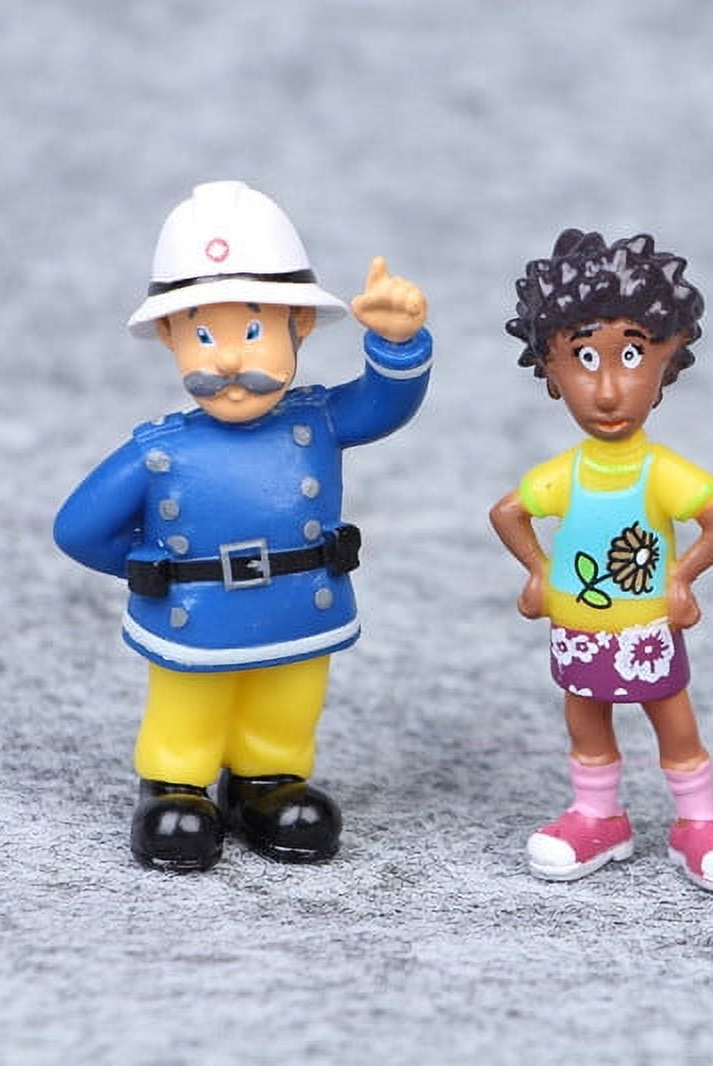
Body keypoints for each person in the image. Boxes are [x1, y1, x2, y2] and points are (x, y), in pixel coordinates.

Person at [54, 180, 432, 871]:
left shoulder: (318, 420)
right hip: (194, 619)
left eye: (252, 332)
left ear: (299, 325)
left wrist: (397, 343)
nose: (228, 359)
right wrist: (155, 569)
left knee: (288, 701)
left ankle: (268, 780)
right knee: (188, 707)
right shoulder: (159, 450)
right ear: (170, 336)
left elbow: (383, 405)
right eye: (203, 335)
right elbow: (78, 528)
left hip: (299, 609)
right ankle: (176, 785)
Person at [490, 229, 713, 893]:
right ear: (550, 370)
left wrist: (681, 575)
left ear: (669, 356)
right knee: (585, 719)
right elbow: (508, 513)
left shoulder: (659, 471)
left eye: (631, 355)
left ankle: (698, 822)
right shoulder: (567, 473)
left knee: (674, 720)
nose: (607, 390)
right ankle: (597, 815)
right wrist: (538, 571)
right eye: (583, 357)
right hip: (578, 627)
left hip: (647, 630)